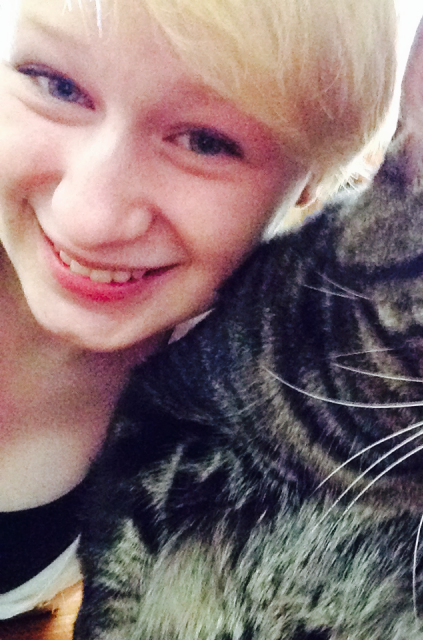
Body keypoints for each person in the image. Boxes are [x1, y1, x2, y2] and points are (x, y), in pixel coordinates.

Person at [0, 0, 397, 618]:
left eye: (206, 142)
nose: (89, 216)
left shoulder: (264, 424)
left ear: (313, 186)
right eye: (57, 86)